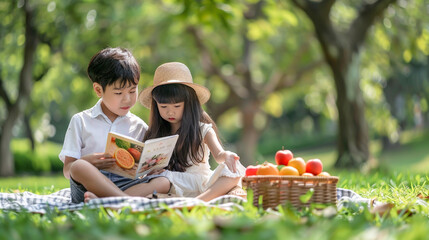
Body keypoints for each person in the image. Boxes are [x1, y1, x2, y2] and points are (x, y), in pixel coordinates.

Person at [59, 47, 171, 203]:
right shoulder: (81, 121)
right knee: (78, 167)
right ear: (99, 90)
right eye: (119, 93)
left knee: (163, 182)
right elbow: (68, 170)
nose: (127, 99)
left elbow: (145, 169)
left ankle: (109, 201)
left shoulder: (139, 127)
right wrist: (88, 161)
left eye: (132, 91)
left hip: (126, 185)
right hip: (89, 186)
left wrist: (154, 168)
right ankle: (123, 201)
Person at [139, 62, 245, 201]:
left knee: (235, 168)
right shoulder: (155, 133)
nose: (170, 111)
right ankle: (119, 195)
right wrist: (152, 171)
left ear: (189, 103)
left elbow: (219, 155)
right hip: (174, 183)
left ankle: (199, 202)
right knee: (160, 181)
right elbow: (149, 168)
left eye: (177, 105)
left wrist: (227, 156)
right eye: (163, 106)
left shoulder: (202, 129)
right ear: (156, 105)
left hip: (202, 183)